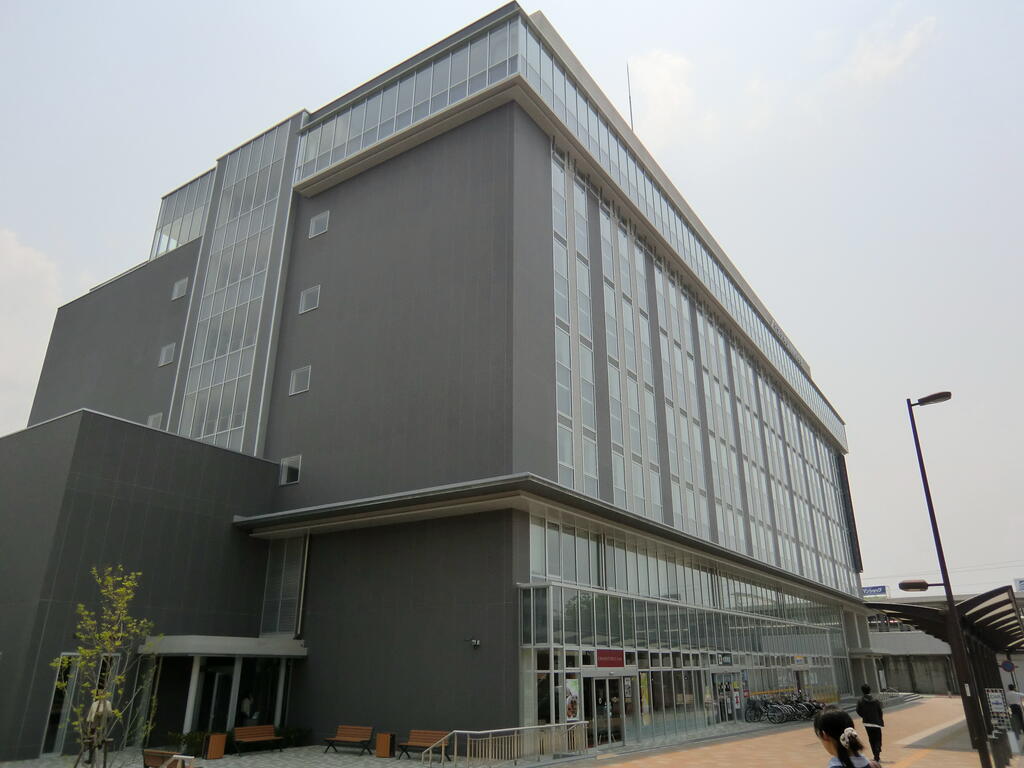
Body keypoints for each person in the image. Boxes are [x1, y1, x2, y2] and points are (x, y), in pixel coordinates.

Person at [856, 684, 885, 762]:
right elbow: (880, 711)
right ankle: (877, 750)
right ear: (870, 690)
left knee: (871, 739)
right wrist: (880, 720)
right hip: (876, 722)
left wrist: (864, 716)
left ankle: (875, 754)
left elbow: (858, 710)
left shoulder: (860, 701)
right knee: (878, 738)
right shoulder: (875, 700)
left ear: (862, 691)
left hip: (867, 723)